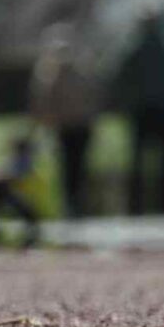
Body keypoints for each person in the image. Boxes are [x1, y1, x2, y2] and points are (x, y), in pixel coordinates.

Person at [111, 11, 164, 216]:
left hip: (141, 111)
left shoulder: (134, 51)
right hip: (162, 110)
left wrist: (123, 106)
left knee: (138, 162)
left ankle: (136, 206)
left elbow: (120, 81)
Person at [27, 28, 103, 219]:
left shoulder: (51, 75)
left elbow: (42, 103)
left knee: (69, 168)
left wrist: (41, 122)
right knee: (77, 168)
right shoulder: (81, 72)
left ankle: (73, 205)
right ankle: (76, 204)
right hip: (76, 126)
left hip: (70, 127)